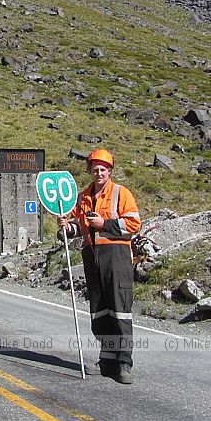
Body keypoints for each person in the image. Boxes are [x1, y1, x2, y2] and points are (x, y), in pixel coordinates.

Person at [59, 148, 141, 384]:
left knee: (120, 310)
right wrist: (67, 227)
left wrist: (105, 223)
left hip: (116, 257)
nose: (98, 173)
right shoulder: (84, 196)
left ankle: (123, 363)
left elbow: (134, 224)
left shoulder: (120, 193)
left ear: (109, 171)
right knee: (100, 310)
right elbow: (78, 226)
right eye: (94, 169)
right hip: (92, 257)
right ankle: (106, 359)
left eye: (102, 169)